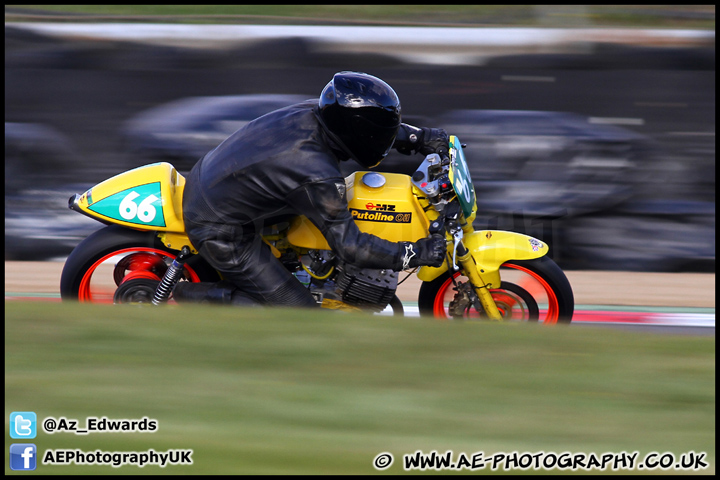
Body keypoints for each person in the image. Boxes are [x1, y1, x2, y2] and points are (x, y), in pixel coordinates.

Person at [174, 71, 449, 307]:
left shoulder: (320, 112)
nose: (380, 137)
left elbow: (369, 124)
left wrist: (419, 136)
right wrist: (415, 253)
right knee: (300, 314)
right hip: (221, 227)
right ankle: (182, 296)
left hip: (220, 185)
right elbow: (351, 247)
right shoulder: (317, 174)